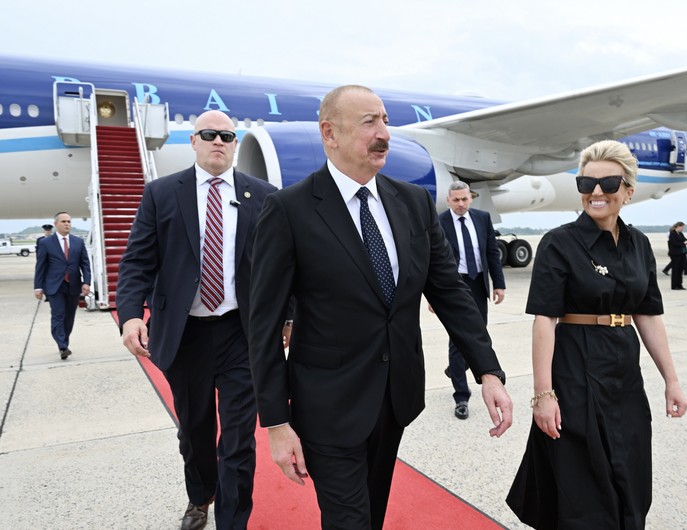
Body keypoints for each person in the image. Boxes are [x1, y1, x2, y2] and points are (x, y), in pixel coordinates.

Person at [248, 85, 513, 529]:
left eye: (386, 121)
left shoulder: (412, 202)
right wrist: (276, 423)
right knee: (349, 520)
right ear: (329, 133)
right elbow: (263, 326)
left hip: (394, 400)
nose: (385, 134)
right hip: (327, 406)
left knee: (371, 514)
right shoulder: (289, 210)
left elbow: (450, 293)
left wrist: (488, 371)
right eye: (369, 122)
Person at [505, 140, 687, 529]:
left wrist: (671, 380)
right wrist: (543, 395)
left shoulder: (639, 245)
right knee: (583, 484)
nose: (597, 192)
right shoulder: (559, 243)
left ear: (628, 191)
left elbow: (648, 314)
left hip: (625, 374)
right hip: (576, 371)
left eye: (608, 183)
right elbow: (544, 321)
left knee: (632, 471)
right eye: (587, 184)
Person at [117, 110, 278, 530]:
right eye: (209, 134)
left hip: (240, 332)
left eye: (227, 135)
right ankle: (200, 496)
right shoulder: (162, 194)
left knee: (239, 436)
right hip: (184, 334)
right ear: (193, 141)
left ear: (234, 144)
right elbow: (137, 261)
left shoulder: (263, 195)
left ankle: (232, 521)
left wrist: (289, 316)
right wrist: (131, 315)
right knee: (194, 432)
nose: (218, 141)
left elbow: (283, 264)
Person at [438, 181, 506, 420]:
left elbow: (492, 253)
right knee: (458, 340)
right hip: (454, 287)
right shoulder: (440, 222)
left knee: (479, 335)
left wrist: (499, 284)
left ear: (471, 198)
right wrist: (435, 296)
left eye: (464, 199)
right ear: (448, 200)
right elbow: (434, 259)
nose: (460, 204)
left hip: (478, 284)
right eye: (456, 200)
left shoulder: (482, 218)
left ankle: (455, 367)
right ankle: (461, 397)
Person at [33, 212, 91, 360]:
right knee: (58, 315)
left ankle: (64, 341)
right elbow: (40, 266)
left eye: (69, 221)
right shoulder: (46, 243)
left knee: (69, 317)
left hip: (73, 285)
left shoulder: (78, 242)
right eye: (64, 221)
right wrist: (38, 287)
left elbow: (85, 264)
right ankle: (62, 346)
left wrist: (86, 282)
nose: (67, 224)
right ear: (56, 224)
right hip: (54, 286)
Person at [667, 221, 687, 290]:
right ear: (678, 226)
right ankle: (674, 285)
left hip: (682, 254)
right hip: (675, 254)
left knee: (680, 269)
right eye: (682, 227)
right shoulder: (672, 234)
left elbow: (684, 239)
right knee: (675, 270)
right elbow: (674, 243)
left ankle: (680, 284)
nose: (683, 229)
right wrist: (684, 243)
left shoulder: (680, 233)